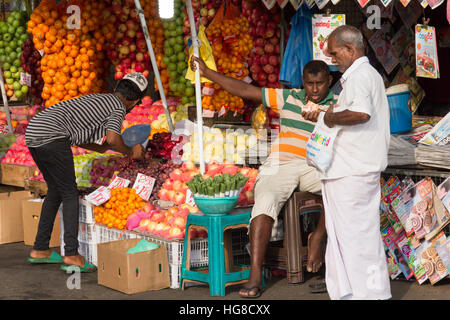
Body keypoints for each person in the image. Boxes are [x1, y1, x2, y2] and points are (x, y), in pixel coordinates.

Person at [191, 56, 338, 298]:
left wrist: (326, 115)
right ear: (302, 82)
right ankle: (255, 274)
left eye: (320, 84)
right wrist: (208, 73)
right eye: (310, 84)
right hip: (281, 163)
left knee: (339, 185)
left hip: (317, 165)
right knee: (265, 200)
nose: (314, 90)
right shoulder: (288, 97)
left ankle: (318, 238)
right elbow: (245, 90)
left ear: (329, 81)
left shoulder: (338, 105)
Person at [25, 73, 148, 272]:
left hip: (35, 132)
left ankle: (40, 249)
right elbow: (113, 138)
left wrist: (99, 148)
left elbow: (76, 130)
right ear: (134, 101)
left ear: (117, 88)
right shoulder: (118, 107)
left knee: (55, 189)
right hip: (52, 136)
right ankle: (72, 254)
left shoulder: (100, 99)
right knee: (69, 193)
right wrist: (130, 151)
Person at [303, 25, 392, 300]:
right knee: (348, 237)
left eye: (334, 53)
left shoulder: (360, 76)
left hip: (354, 171)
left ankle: (371, 294)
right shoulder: (359, 76)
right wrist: (326, 115)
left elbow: (361, 114)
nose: (332, 59)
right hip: (349, 170)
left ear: (351, 50)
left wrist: (329, 118)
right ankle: (354, 293)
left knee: (358, 238)